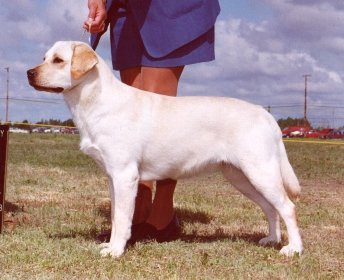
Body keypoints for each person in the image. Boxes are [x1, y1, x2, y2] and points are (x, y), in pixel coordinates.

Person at [84, 0, 220, 242]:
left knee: (160, 116)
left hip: (169, 7)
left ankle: (163, 214)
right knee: (133, 117)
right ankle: (138, 208)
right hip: (125, 8)